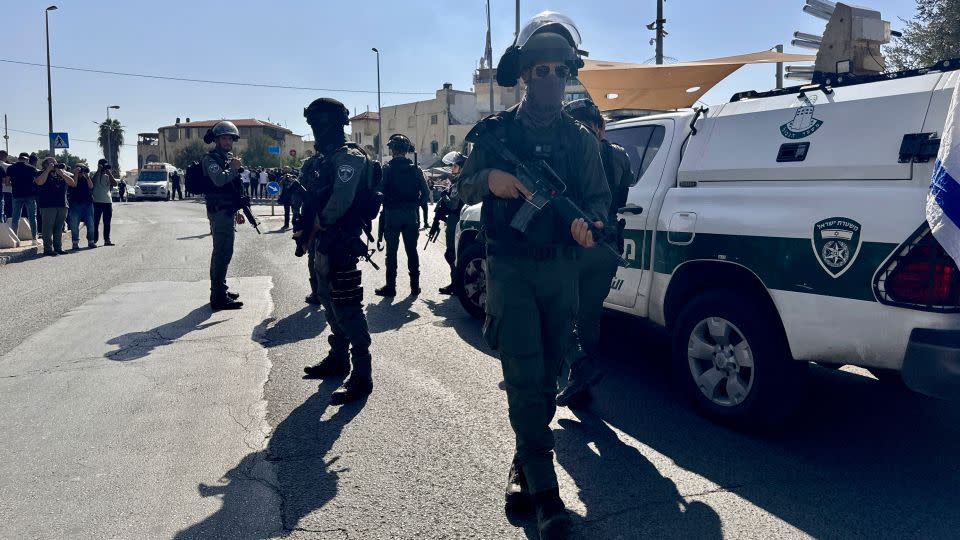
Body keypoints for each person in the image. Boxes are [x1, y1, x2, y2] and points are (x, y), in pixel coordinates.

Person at [457, 12, 610, 539]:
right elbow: (461, 188)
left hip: (560, 272)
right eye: (539, 69)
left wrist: (590, 224)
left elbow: (598, 201)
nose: (549, 79)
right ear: (523, 74)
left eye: (558, 70)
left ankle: (525, 461)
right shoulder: (496, 134)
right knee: (524, 374)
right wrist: (491, 179)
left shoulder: (581, 142)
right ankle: (547, 497)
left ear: (568, 75)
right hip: (511, 269)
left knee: (547, 379)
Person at [297, 97, 375, 405]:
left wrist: (316, 224)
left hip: (341, 240)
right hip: (323, 241)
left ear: (336, 124)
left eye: (322, 124)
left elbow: (340, 202)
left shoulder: (349, 157)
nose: (318, 131)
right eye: (314, 125)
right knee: (327, 300)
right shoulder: (322, 159)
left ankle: (362, 375)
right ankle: (338, 358)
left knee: (347, 306)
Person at [555, 98, 633, 407]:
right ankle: (582, 387)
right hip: (608, 244)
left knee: (557, 310)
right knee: (589, 316)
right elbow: (622, 193)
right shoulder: (620, 156)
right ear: (601, 126)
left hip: (576, 242)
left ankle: (575, 369)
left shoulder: (572, 149)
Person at [375, 133, 429, 297]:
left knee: (391, 252)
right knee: (412, 251)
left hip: (392, 214)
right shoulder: (416, 169)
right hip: (411, 215)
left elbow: (379, 192)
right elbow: (426, 194)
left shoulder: (387, 168)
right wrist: (414, 205)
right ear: (406, 150)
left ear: (392, 150)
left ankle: (391, 287)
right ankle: (415, 287)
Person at [201, 121, 246, 311]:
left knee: (226, 252)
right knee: (221, 253)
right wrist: (234, 167)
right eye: (224, 138)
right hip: (218, 212)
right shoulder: (210, 159)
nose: (228, 141)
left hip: (227, 211)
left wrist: (238, 211)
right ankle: (217, 297)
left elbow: (232, 188)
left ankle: (221, 289)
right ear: (217, 140)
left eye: (230, 138)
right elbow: (219, 180)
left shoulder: (227, 159)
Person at [435, 151, 466, 295]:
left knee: (451, 254)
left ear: (460, 167)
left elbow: (453, 205)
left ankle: (455, 284)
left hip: (455, 219)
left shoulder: (459, 183)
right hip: (462, 219)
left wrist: (444, 196)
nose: (452, 168)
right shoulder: (464, 181)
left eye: (454, 166)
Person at [36, 157, 77, 256]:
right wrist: (48, 170)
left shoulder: (61, 174)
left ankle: (58, 248)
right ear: (45, 165)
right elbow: (39, 182)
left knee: (59, 228)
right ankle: (48, 249)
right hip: (47, 205)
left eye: (55, 163)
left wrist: (62, 174)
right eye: (51, 163)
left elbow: (73, 183)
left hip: (62, 205)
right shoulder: (41, 173)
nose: (54, 164)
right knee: (47, 229)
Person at [6, 152, 39, 245]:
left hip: (16, 195)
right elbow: (37, 181)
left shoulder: (11, 168)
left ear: (18, 159)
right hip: (30, 195)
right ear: (27, 160)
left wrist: (15, 184)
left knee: (15, 217)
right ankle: (34, 239)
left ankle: (15, 239)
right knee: (32, 217)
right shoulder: (32, 168)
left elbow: (7, 183)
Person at [68, 165, 96, 250]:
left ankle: (91, 241)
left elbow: (91, 186)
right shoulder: (71, 178)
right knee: (74, 224)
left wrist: (87, 176)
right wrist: (76, 174)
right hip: (75, 204)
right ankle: (75, 243)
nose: (81, 172)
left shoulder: (87, 178)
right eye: (80, 169)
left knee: (90, 223)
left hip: (88, 203)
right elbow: (74, 185)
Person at [91, 159, 116, 246]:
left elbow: (115, 183)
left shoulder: (108, 175)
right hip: (96, 202)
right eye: (102, 166)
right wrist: (98, 171)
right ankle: (94, 240)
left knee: (107, 222)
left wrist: (108, 172)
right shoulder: (95, 174)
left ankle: (107, 240)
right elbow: (92, 182)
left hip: (107, 202)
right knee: (95, 222)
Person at [0, 150, 10, 223]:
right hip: (6, 191)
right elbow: (5, 181)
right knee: (2, 213)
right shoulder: (6, 167)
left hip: (3, 193)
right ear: (5, 156)